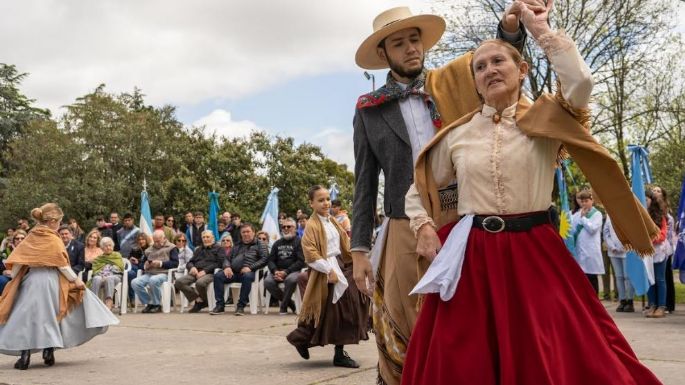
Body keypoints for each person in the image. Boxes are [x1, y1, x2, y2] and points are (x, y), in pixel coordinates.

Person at [400, 2, 661, 383]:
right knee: (463, 356)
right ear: (474, 83)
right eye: (480, 67)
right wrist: (423, 225)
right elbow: (418, 189)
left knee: (561, 346)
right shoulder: (457, 136)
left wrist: (538, 29)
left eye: (498, 62)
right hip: (473, 255)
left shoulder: (547, 118)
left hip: (535, 250)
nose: (489, 70)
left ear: (522, 70)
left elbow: (580, 84)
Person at [351, 5, 529, 383]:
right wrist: (359, 250)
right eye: (399, 43)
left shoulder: (456, 81)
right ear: (383, 53)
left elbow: (499, 61)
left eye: (415, 39)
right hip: (402, 224)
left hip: (463, 218)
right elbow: (364, 182)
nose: (411, 48)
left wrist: (512, 28)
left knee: (468, 319)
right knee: (405, 321)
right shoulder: (368, 110)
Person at [0, 203, 118, 370]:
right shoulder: (52, 239)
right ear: (52, 221)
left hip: (32, 281)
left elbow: (18, 261)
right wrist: (76, 280)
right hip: (51, 281)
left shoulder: (30, 237)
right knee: (53, 315)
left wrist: (13, 277)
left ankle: (24, 356)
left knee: (26, 317)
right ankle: (48, 351)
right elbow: (61, 265)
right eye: (59, 221)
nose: (59, 224)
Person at [287, 186, 369, 368]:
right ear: (311, 203)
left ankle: (326, 348)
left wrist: (356, 259)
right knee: (330, 312)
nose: (326, 203)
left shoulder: (332, 221)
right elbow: (310, 252)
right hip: (326, 271)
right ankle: (302, 339)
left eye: (327, 199)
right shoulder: (312, 225)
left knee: (341, 311)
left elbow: (345, 243)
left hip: (341, 265)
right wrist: (328, 270)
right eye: (320, 200)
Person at [210, 223, 268, 316]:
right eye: (243, 232)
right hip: (234, 272)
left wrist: (250, 267)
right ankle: (220, 305)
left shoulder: (260, 244)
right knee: (218, 276)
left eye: (248, 231)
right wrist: (227, 267)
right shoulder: (237, 245)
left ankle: (241, 306)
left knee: (247, 277)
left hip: (250, 272)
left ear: (253, 232)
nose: (245, 234)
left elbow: (265, 259)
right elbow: (226, 259)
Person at [131, 230, 179, 313]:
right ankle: (150, 303)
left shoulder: (172, 247)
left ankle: (156, 304)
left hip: (165, 273)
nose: (156, 243)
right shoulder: (149, 249)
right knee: (135, 282)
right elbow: (142, 265)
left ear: (164, 238)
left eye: (158, 241)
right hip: (150, 273)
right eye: (155, 241)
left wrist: (160, 264)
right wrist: (145, 265)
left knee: (153, 280)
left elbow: (175, 263)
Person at [264, 218, 305, 314]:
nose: (286, 228)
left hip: (294, 271)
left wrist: (286, 272)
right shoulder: (277, 243)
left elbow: (301, 261)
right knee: (268, 282)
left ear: (295, 228)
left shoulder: (300, 242)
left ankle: (283, 306)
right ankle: (290, 304)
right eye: (283, 227)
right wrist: (275, 271)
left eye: (289, 226)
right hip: (278, 271)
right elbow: (270, 260)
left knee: (290, 280)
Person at [175, 230, 222, 313]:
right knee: (179, 282)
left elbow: (219, 263)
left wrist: (205, 271)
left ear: (213, 238)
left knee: (200, 283)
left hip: (210, 273)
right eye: (203, 237)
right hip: (196, 272)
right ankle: (199, 299)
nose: (205, 239)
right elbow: (190, 262)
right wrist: (192, 267)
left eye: (208, 237)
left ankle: (202, 303)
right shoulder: (199, 249)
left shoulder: (219, 248)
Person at [572, 190, 605, 295]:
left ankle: (595, 300)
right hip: (580, 250)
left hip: (591, 251)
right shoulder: (577, 214)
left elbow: (592, 229)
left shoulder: (597, 214)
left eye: (586, 201)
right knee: (582, 278)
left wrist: (583, 218)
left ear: (592, 201)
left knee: (592, 277)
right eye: (582, 201)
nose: (584, 203)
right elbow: (572, 230)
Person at [644, 189, 670, 318]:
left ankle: (661, 306)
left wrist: (651, 239)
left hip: (659, 251)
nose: (645, 201)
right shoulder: (641, 215)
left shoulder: (660, 215)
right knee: (649, 279)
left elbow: (663, 234)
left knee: (660, 279)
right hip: (647, 252)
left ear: (651, 200)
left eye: (647, 199)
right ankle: (652, 304)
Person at [651, 185, 677, 312]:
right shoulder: (649, 211)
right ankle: (653, 303)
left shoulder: (667, 215)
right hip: (652, 249)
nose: (655, 192)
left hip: (664, 248)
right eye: (654, 190)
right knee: (653, 277)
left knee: (664, 277)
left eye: (658, 190)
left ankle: (666, 304)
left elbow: (668, 234)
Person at [604, 215, 635, 312]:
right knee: (619, 277)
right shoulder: (609, 215)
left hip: (627, 250)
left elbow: (632, 231)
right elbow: (606, 232)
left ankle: (630, 301)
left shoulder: (626, 212)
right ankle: (622, 300)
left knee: (628, 277)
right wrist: (612, 246)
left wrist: (626, 245)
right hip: (614, 251)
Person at [88, 237, 125, 310]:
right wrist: (100, 275)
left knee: (109, 278)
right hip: (101, 276)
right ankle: (94, 301)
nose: (108, 248)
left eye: (110, 245)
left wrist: (109, 273)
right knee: (96, 278)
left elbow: (120, 268)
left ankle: (109, 301)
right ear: (102, 248)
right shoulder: (99, 258)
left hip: (115, 277)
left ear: (112, 246)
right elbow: (95, 270)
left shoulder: (117, 255)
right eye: (105, 246)